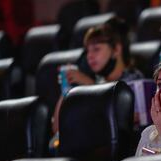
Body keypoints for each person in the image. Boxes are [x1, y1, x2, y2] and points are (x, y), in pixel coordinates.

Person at [50, 16, 144, 148]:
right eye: (87, 51)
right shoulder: (95, 82)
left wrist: (90, 85)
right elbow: (58, 128)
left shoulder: (134, 80)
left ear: (116, 49)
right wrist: (67, 90)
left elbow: (129, 119)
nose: (89, 56)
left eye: (96, 49)